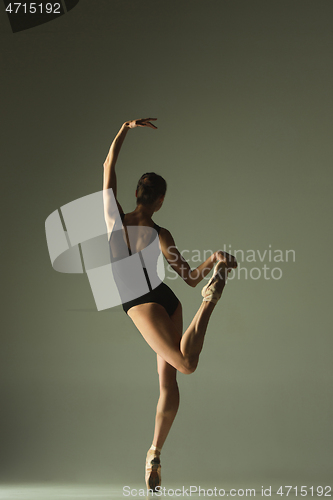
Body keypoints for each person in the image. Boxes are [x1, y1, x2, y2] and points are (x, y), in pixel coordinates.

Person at [103, 118, 237, 491]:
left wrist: (124, 129)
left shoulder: (115, 221)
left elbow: (107, 168)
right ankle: (154, 453)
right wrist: (212, 259)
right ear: (160, 201)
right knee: (170, 380)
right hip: (167, 300)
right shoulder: (162, 234)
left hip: (140, 303)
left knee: (185, 366)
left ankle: (210, 304)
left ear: (135, 194)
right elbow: (191, 278)